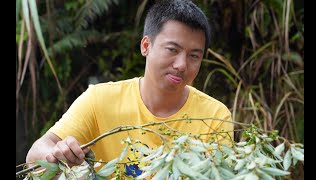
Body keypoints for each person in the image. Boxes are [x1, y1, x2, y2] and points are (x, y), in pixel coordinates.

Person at [25, 0, 234, 177]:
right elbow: (35, 155)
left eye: (194, 56)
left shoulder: (214, 117)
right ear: (146, 46)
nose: (181, 64)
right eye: (172, 49)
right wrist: (55, 155)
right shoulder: (101, 100)